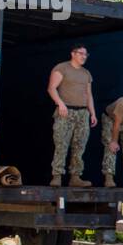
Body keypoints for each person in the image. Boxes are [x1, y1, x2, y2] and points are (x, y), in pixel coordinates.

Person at [47, 45, 96, 187]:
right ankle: (57, 176)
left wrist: (92, 112)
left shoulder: (86, 73)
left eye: (86, 54)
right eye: (81, 53)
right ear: (73, 54)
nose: (84, 56)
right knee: (62, 143)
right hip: (65, 111)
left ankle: (75, 177)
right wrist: (60, 104)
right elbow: (51, 88)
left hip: (82, 113)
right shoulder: (62, 68)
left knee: (79, 146)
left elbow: (89, 94)